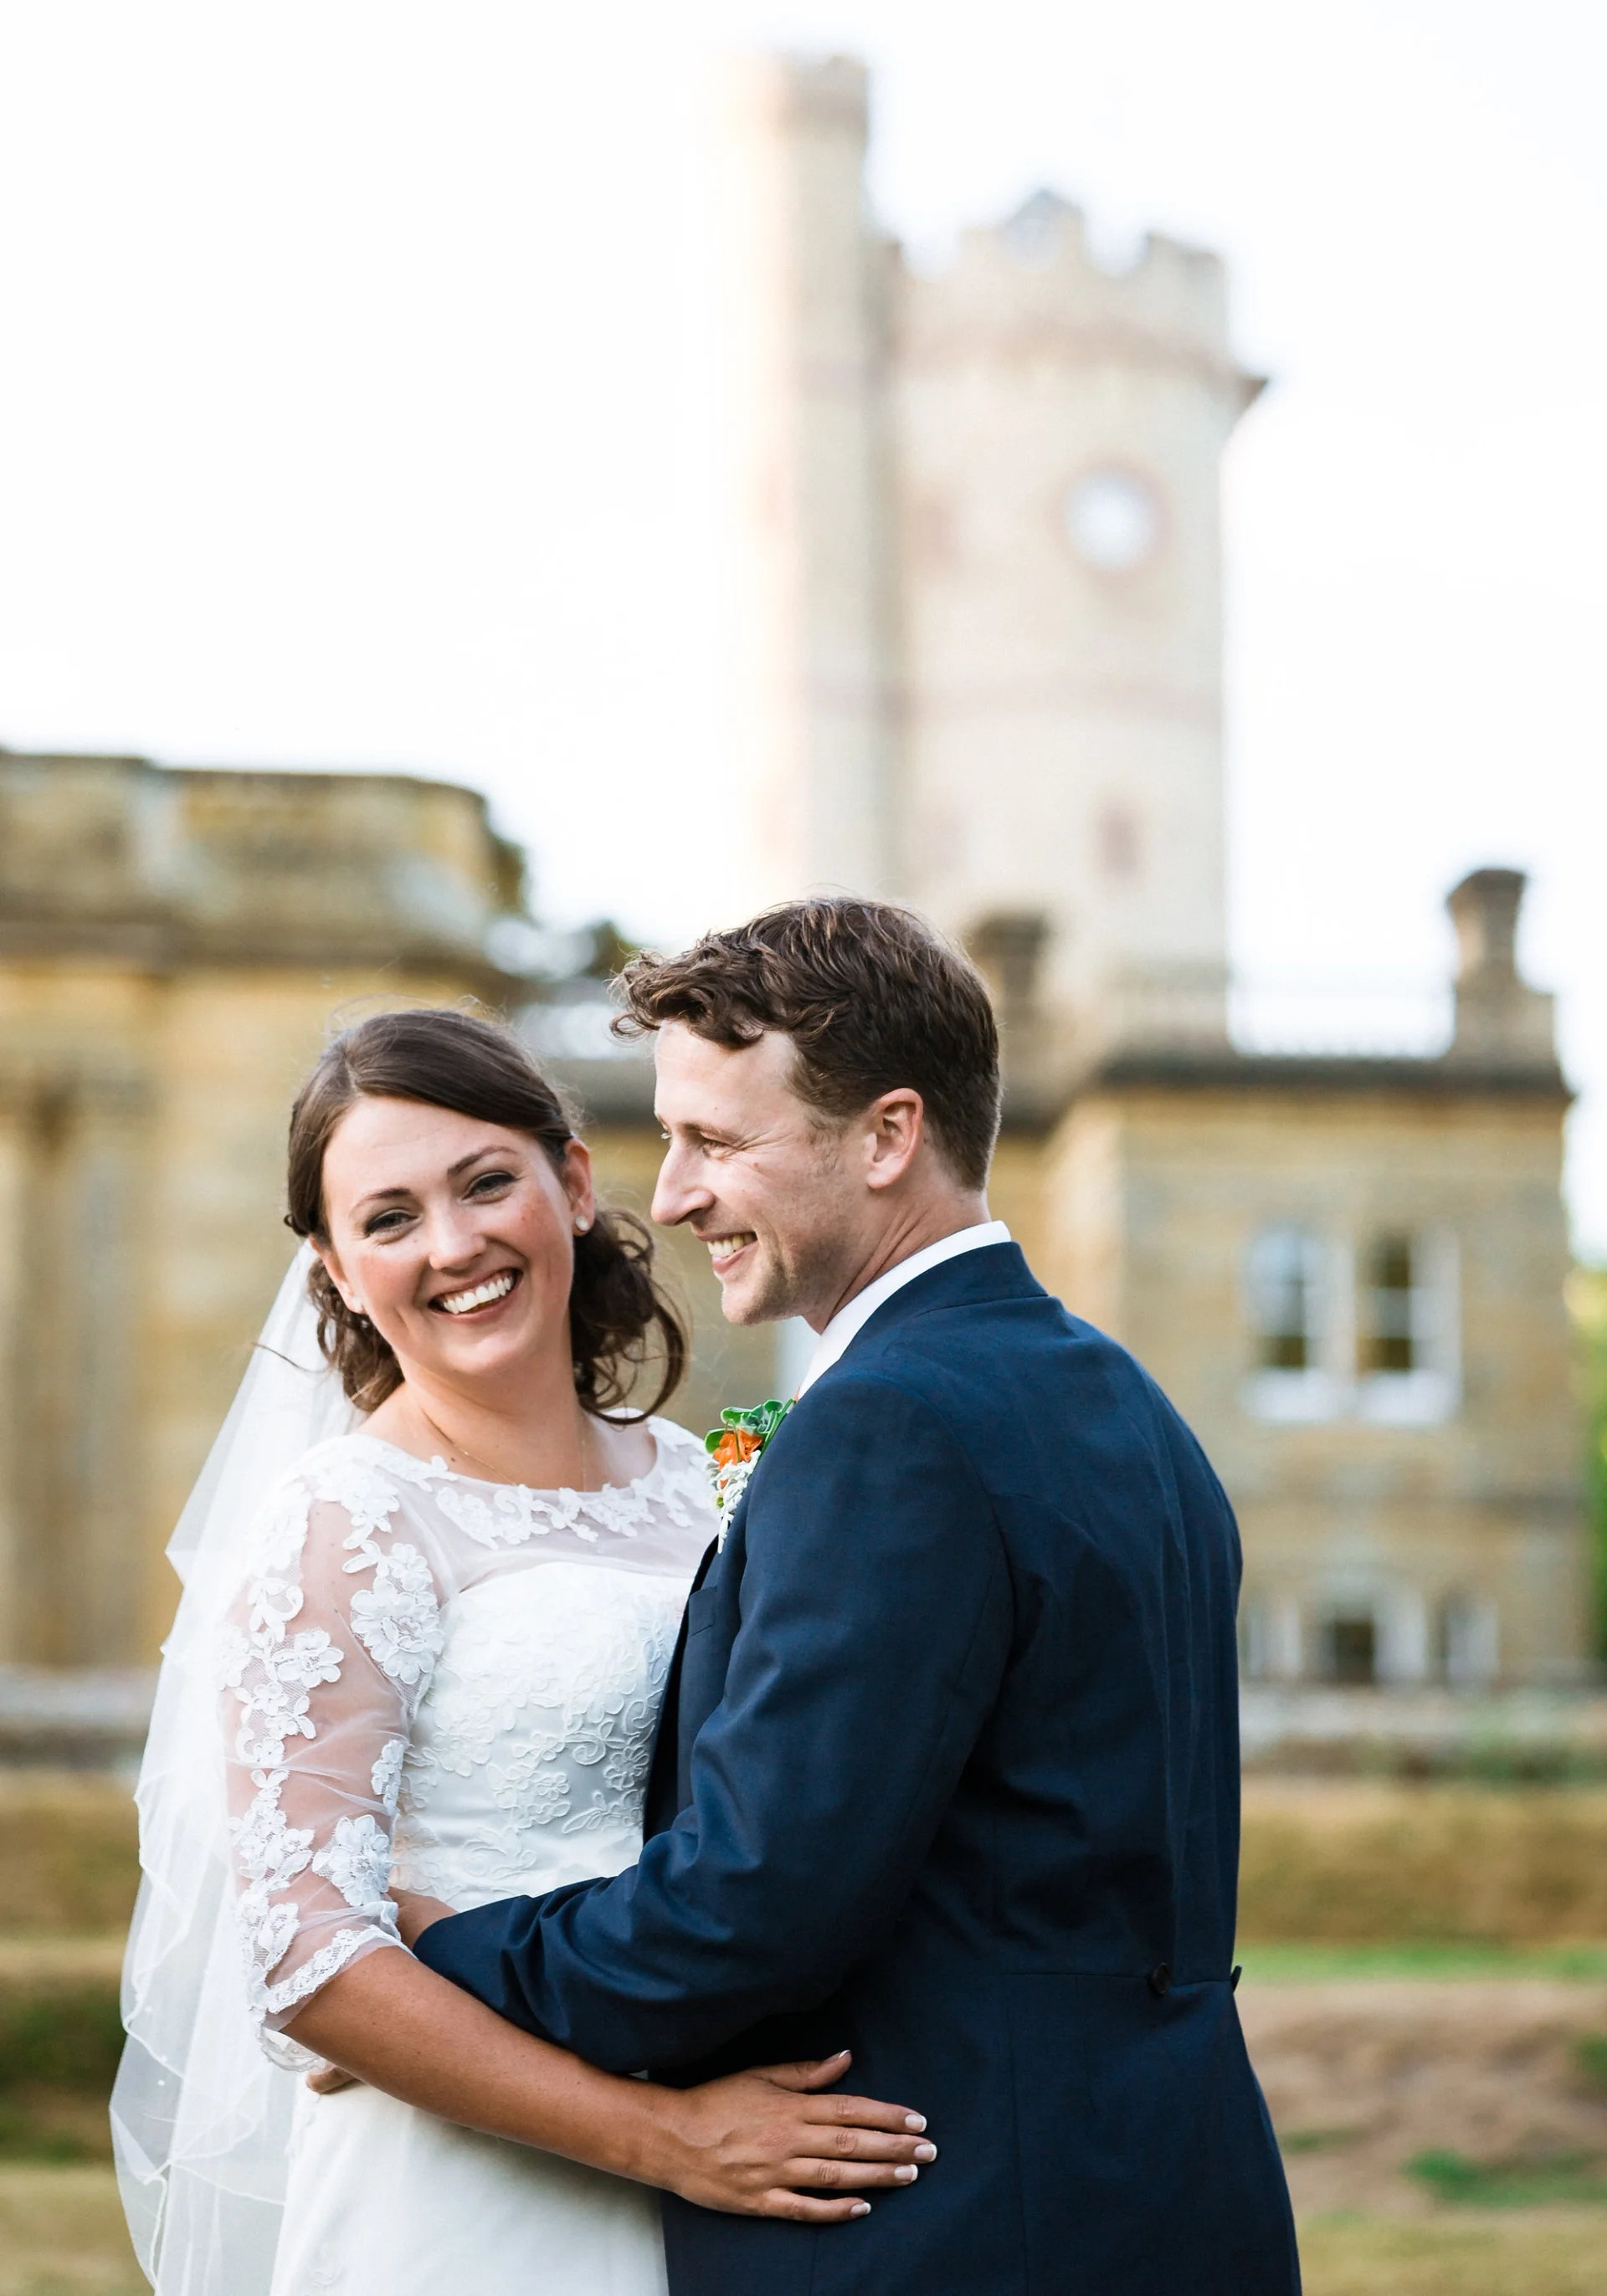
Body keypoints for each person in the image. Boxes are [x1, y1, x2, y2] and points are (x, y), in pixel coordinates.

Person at [381, 898, 1302, 2294]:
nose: (675, 1193)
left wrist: (456, 1956)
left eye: (717, 1141)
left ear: (887, 1135)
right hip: (1171, 2190)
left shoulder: (892, 1425)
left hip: (959, 2223)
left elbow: (752, 1905)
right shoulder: (1125, 1400)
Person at [112, 1007, 932, 2296]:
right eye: (387, 1218)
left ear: (574, 1180)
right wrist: (668, 2141)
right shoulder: (346, 1518)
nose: (454, 1245)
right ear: (332, 1265)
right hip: (468, 2191)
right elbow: (310, 1962)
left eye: (487, 1182)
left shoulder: (701, 1478)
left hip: (743, 2171)